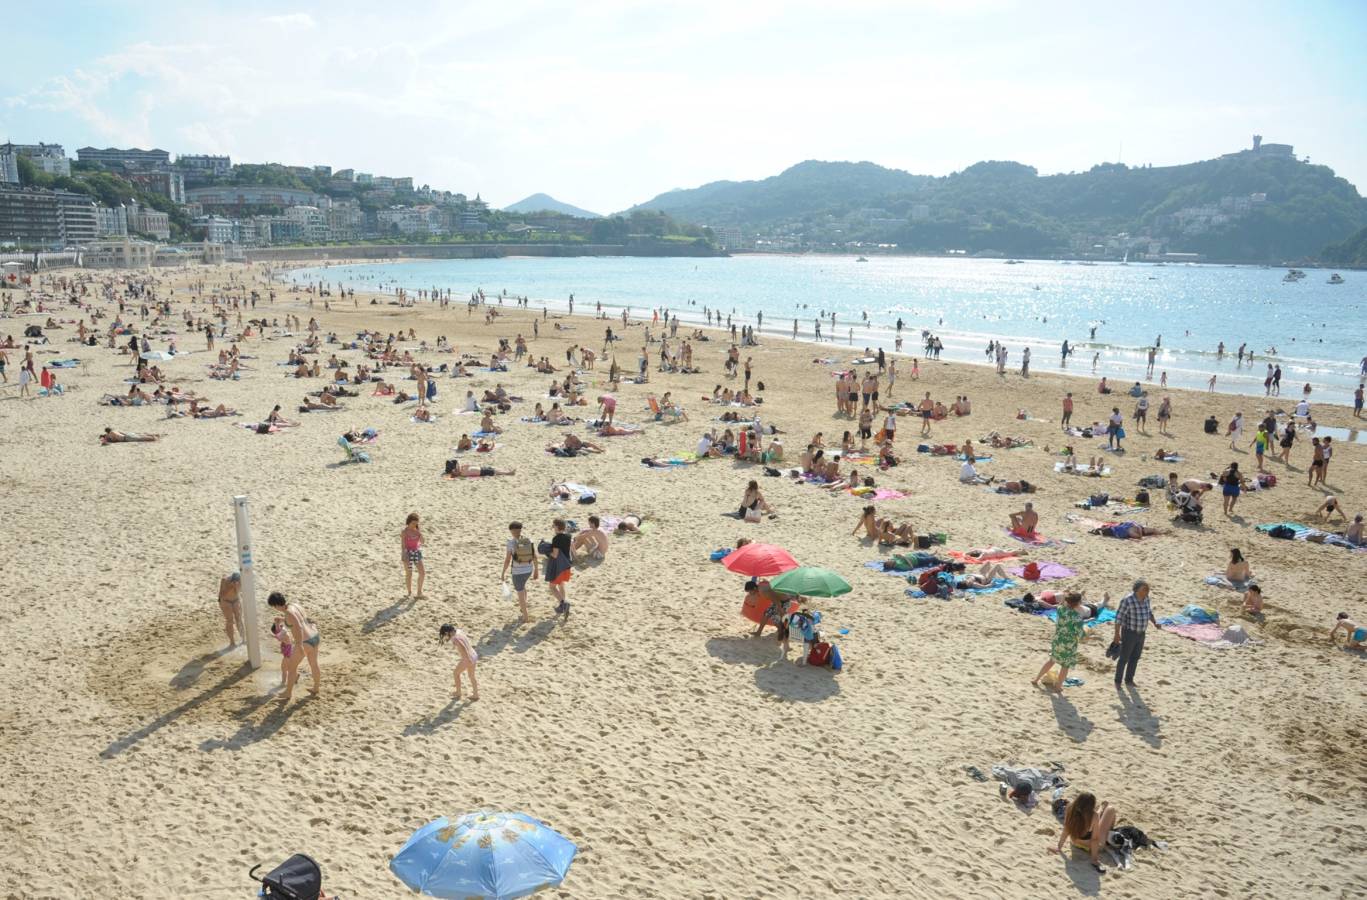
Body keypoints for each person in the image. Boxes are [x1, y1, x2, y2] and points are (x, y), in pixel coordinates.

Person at [268, 591, 320, 702]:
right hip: (314, 636)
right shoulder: (294, 605)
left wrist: (299, 645)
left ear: (276, 605)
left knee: (292, 668)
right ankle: (316, 688)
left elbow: (299, 626)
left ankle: (288, 693)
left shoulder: (288, 613)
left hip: (305, 642)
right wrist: (282, 620)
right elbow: (301, 620)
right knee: (314, 664)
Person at [1051, 792, 1119, 875]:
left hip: (1075, 842)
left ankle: (1101, 809)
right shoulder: (1094, 816)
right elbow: (1095, 839)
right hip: (1090, 846)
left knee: (1098, 817)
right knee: (1110, 809)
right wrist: (1094, 859)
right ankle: (1105, 814)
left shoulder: (1070, 809)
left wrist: (1059, 847)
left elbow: (1066, 830)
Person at [1032, 592, 1087, 693]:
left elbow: (1061, 606)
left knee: (1051, 660)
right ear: (1078, 603)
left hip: (1057, 639)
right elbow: (1080, 634)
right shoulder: (1077, 617)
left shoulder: (1061, 610)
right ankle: (1058, 687)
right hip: (1069, 644)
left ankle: (1036, 679)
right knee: (1065, 666)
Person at [1112, 579, 1156, 687]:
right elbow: (1118, 618)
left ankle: (1129, 680)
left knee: (1135, 657)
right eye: (1144, 589)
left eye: (1148, 589)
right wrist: (1117, 634)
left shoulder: (1146, 599)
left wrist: (1155, 622)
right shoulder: (1127, 600)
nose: (1147, 590)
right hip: (1129, 633)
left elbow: (1149, 612)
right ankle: (1118, 681)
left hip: (1141, 633)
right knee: (1124, 658)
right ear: (1137, 590)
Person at [501, 521, 539, 624]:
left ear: (511, 531)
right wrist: (536, 570)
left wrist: (503, 572)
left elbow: (508, 560)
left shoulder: (511, 543)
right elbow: (534, 556)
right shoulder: (529, 540)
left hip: (517, 572)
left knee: (520, 594)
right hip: (529, 570)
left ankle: (526, 617)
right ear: (521, 529)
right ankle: (523, 608)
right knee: (523, 587)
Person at [438, 623, 480, 700]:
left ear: (448, 632)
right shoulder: (459, 631)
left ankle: (458, 692)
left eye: (446, 634)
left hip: (467, 658)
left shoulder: (456, 639)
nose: (446, 636)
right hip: (474, 655)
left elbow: (462, 646)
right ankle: (476, 694)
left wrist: (467, 659)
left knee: (456, 673)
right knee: (471, 676)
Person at [545, 519, 573, 618]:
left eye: (553, 526)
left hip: (559, 567)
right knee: (561, 585)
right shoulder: (568, 536)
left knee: (552, 587)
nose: (553, 528)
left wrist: (547, 552)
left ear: (557, 527)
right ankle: (562, 606)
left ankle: (564, 604)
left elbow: (555, 555)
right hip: (567, 565)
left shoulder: (556, 538)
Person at [401, 513, 426, 599]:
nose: (414, 525)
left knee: (422, 573)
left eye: (416, 523)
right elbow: (403, 545)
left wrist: (419, 533)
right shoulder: (404, 532)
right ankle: (409, 593)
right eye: (413, 523)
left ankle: (419, 592)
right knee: (409, 574)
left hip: (417, 552)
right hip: (407, 554)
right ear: (409, 522)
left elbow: (422, 542)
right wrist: (404, 556)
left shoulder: (417, 531)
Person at [217, 572, 245, 648]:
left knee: (239, 619)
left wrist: (237, 587)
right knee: (229, 621)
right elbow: (222, 594)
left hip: (236, 600)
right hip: (225, 601)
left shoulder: (242, 581)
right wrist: (230, 587)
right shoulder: (224, 580)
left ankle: (243, 639)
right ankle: (232, 642)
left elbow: (239, 592)